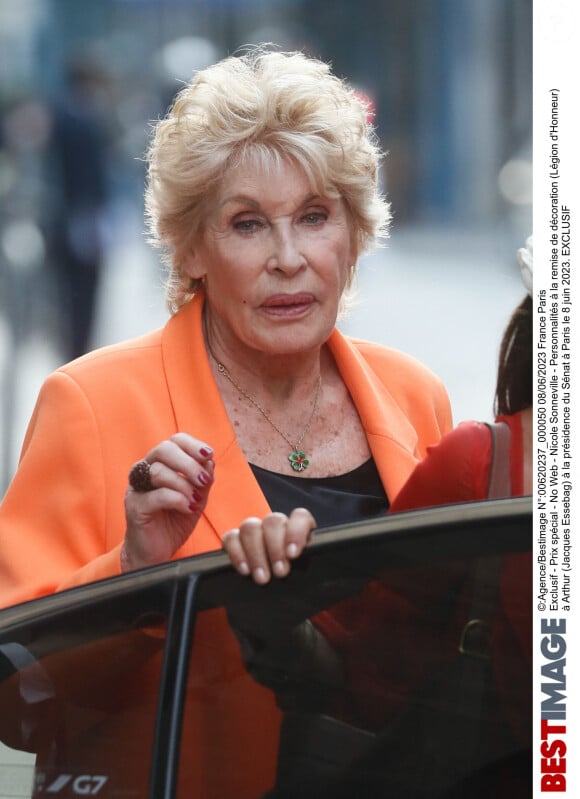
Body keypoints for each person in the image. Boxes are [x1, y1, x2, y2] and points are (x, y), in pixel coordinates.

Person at [0, 47, 451, 610]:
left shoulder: (416, 396)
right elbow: (21, 672)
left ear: (354, 235)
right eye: (248, 224)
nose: (288, 258)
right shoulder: (87, 406)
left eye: (314, 217)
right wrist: (133, 571)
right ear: (190, 249)